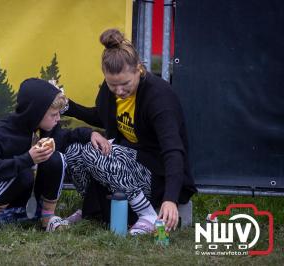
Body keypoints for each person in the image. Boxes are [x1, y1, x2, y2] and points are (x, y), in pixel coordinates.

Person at [63, 28, 197, 235]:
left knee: (93, 152)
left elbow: (173, 150)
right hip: (127, 164)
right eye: (112, 84)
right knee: (74, 151)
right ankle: (94, 209)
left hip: (156, 173)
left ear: (139, 70)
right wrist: (67, 106)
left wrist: (170, 198)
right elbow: (101, 116)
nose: (119, 91)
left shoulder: (159, 97)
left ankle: (148, 214)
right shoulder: (111, 90)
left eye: (125, 84)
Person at [0, 78, 106, 232]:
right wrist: (27, 159)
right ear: (35, 113)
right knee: (24, 172)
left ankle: (47, 218)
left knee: (56, 158)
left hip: (31, 194)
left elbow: (67, 136)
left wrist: (92, 133)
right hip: (1, 191)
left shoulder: (45, 129)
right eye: (53, 114)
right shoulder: (4, 130)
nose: (58, 118)